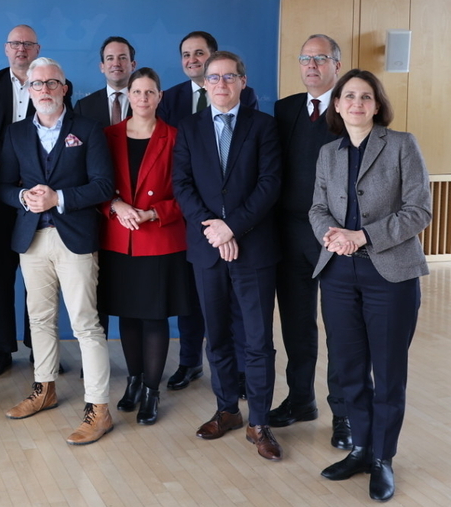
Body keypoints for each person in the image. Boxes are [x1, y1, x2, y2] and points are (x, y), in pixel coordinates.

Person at [311, 69, 431, 502]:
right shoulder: (329, 153)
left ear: (376, 105)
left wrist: (362, 236)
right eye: (348, 97)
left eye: (365, 97)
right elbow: (318, 208)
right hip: (339, 273)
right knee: (348, 369)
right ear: (337, 105)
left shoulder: (401, 145)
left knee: (388, 371)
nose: (356, 104)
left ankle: (383, 458)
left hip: (390, 274)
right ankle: (360, 447)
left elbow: (419, 211)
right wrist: (332, 235)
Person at [172, 51, 283, 461]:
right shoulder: (188, 128)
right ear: (204, 84)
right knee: (216, 335)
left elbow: (269, 184)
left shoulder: (264, 127)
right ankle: (226, 410)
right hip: (207, 250)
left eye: (229, 77)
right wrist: (214, 230)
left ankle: (259, 421)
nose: (221, 84)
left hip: (253, 248)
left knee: (256, 340)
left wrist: (232, 227)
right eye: (213, 78)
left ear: (243, 81)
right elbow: (182, 185)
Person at [0, 57, 114, 445]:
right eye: (37, 85)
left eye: (52, 83)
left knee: (85, 323)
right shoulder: (15, 133)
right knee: (40, 319)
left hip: (75, 237)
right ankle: (44, 388)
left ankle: (98, 408)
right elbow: (3, 187)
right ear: (27, 90)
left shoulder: (89, 130)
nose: (44, 90)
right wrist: (21, 196)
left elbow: (103, 186)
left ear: (65, 88)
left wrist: (58, 197)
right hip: (32, 239)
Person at [158, 31, 258, 395]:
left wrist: (230, 227)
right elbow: (178, 173)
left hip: (239, 226)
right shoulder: (171, 100)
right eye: (186, 54)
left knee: (237, 312)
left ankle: (243, 376)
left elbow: (248, 169)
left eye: (199, 53)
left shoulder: (245, 103)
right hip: (195, 223)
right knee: (193, 303)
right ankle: (189, 363)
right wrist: (210, 226)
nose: (192, 60)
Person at [0, 25, 73, 377]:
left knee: (42, 275)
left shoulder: (53, 84)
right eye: (15, 44)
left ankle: (40, 348)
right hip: (1, 191)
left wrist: (33, 174)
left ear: (37, 49)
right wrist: (12, 163)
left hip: (41, 194)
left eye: (28, 44)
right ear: (6, 49)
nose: (21, 49)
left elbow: (60, 132)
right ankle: (0, 348)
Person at [98, 68, 193, 424]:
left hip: (160, 239)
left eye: (149, 92)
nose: (142, 98)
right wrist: (114, 206)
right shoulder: (108, 135)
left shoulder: (176, 137)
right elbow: (95, 185)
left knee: (154, 316)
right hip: (119, 239)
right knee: (127, 314)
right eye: (137, 92)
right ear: (128, 95)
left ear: (159, 96)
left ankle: (152, 390)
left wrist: (154, 212)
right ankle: (134, 381)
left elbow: (187, 192)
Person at [271, 34, 351, 450]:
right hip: (289, 234)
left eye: (321, 59)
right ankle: (301, 399)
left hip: (338, 237)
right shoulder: (284, 109)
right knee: (298, 324)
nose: (312, 66)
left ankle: (345, 414)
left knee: (340, 329)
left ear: (337, 65)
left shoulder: (352, 106)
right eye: (305, 58)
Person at [74, 36, 137, 126]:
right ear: (102, 67)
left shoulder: (147, 102)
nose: (116, 64)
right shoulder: (84, 107)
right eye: (110, 58)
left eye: (122, 58)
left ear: (133, 65)